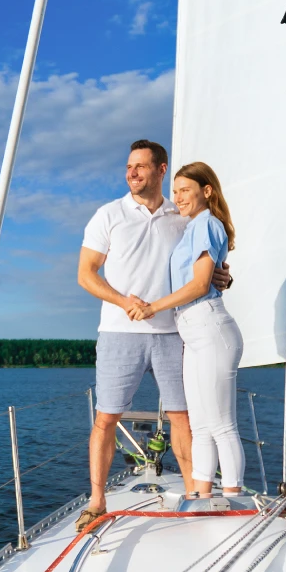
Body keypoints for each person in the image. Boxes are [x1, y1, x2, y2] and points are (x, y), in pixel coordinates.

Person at [76, 141, 232, 531]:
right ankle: (97, 501)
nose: (132, 173)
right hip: (118, 332)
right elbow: (86, 274)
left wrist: (222, 277)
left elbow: (204, 268)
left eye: (141, 166)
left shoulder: (182, 217)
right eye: (129, 166)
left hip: (171, 332)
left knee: (183, 418)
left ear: (161, 170)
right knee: (106, 418)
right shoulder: (108, 215)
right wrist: (121, 300)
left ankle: (197, 496)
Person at [129, 162, 245, 498]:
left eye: (185, 190)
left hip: (209, 327)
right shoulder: (193, 226)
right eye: (175, 190)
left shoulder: (207, 223)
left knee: (222, 425)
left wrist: (152, 307)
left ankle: (234, 500)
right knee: (201, 425)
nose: (178, 197)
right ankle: (203, 497)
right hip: (193, 332)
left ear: (206, 191)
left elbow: (198, 285)